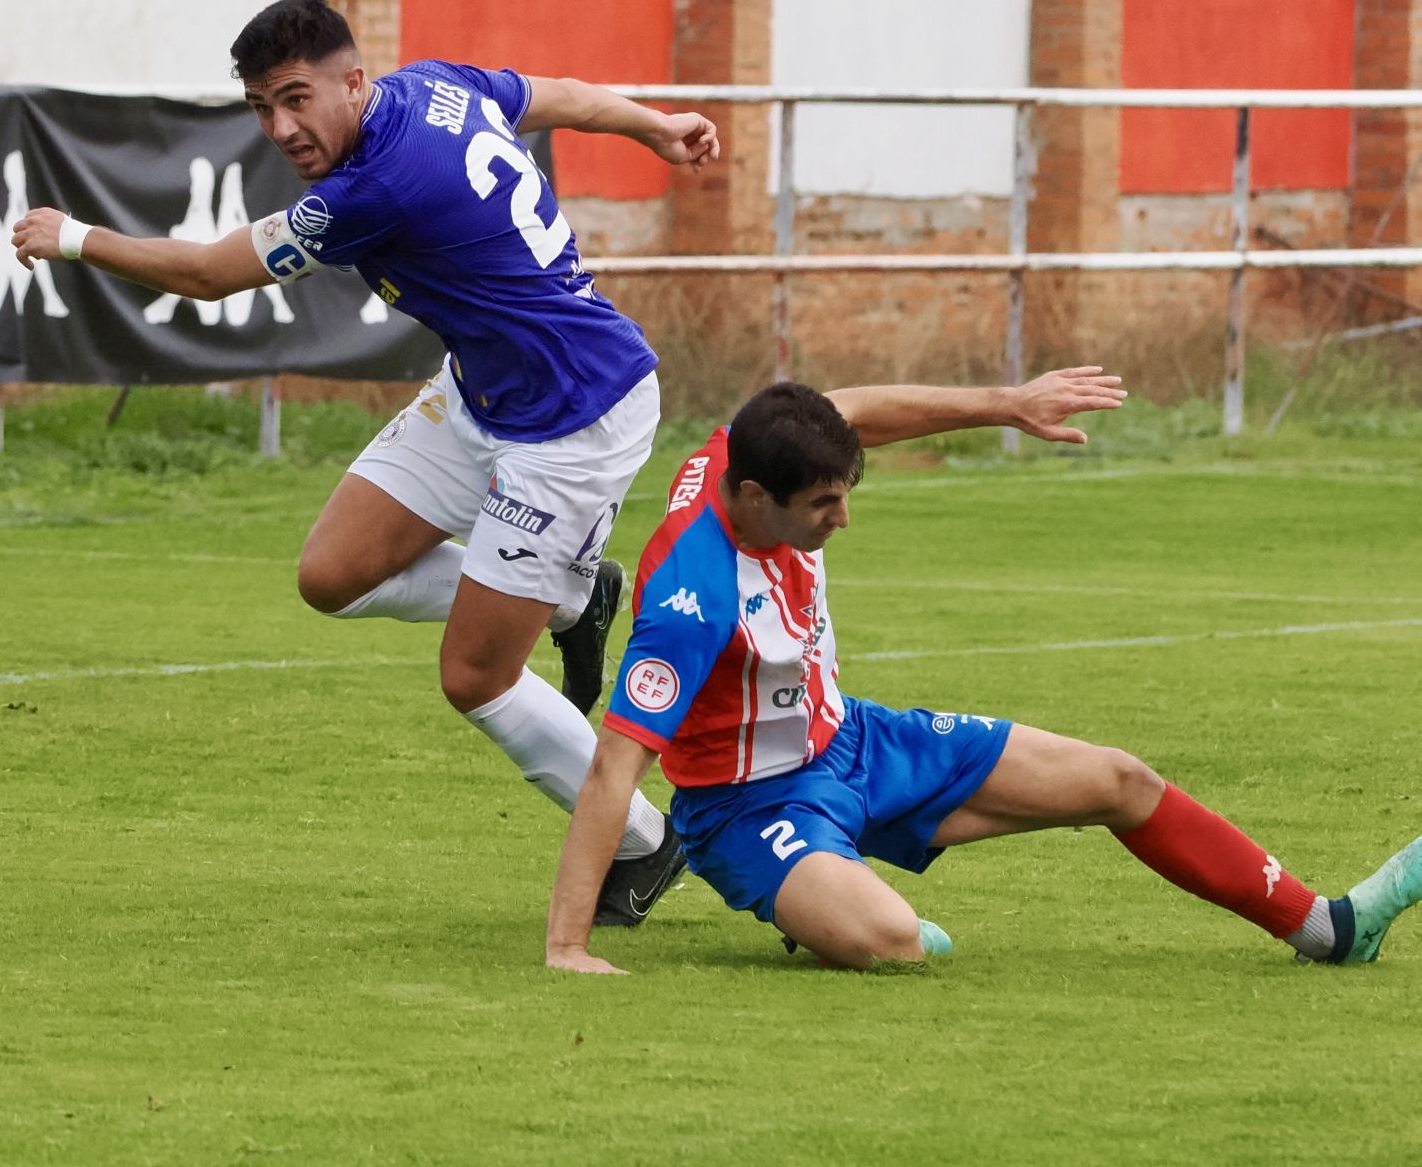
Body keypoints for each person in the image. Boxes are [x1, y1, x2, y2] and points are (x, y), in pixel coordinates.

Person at [14, 0, 717, 924]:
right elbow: (561, 98)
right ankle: (572, 597)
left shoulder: (376, 187)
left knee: (475, 676)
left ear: (354, 81)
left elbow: (208, 275)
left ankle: (645, 841)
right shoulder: (436, 86)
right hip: (484, 389)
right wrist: (654, 124)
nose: (282, 128)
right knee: (332, 575)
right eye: (264, 108)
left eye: (298, 99)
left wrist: (71, 238)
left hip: (575, 417)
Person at [546, 370, 1422, 972]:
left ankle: (1328, 929)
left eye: (847, 492)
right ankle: (829, 894)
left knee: (1118, 779)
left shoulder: (752, 444)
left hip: (855, 739)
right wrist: (569, 947)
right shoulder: (689, 601)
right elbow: (614, 768)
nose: (842, 519)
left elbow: (853, 410)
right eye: (823, 505)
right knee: (891, 943)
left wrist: (1009, 405)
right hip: (747, 809)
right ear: (750, 499)